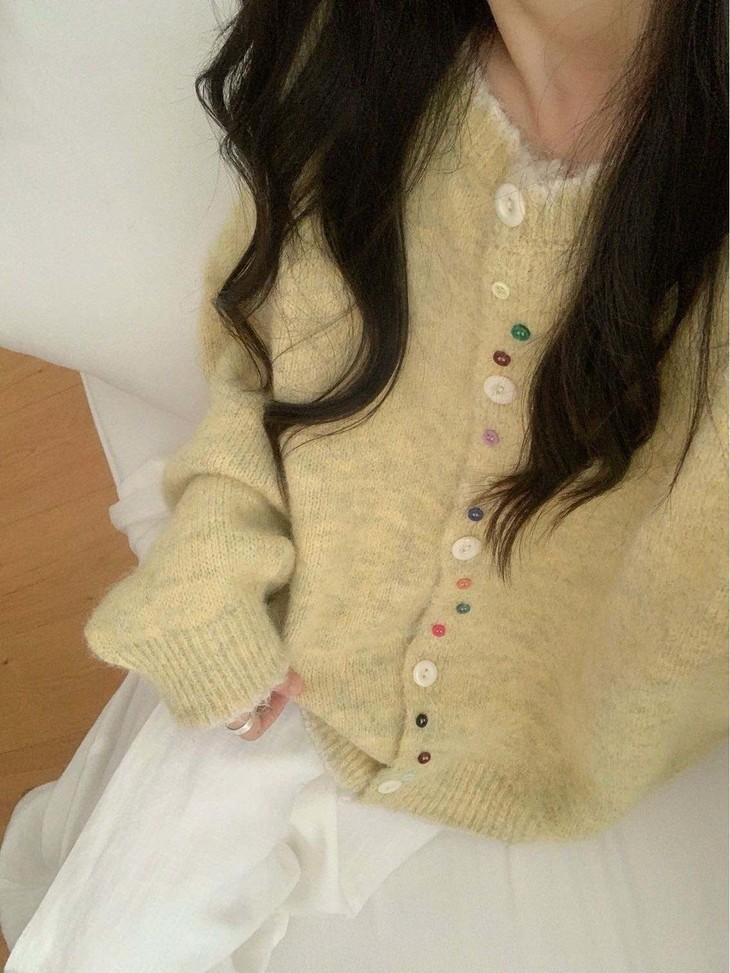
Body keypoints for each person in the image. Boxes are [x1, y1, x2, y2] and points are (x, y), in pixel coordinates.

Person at [1, 0, 727, 969]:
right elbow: (261, 371)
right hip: (295, 655)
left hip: (562, 757)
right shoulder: (356, 58)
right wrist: (210, 561)